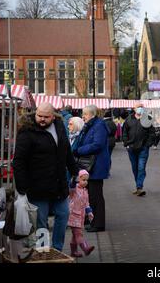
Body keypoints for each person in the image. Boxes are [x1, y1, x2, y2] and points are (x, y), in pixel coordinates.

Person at [13, 102, 79, 251]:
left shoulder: (59, 126)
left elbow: (66, 151)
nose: (42, 119)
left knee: (63, 215)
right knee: (41, 222)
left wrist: (75, 170)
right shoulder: (27, 131)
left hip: (59, 184)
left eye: (46, 117)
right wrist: (22, 188)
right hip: (37, 186)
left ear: (53, 116)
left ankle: (57, 249)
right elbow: (19, 161)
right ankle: (42, 250)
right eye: (39, 116)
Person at [73, 105, 111, 232]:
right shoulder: (90, 125)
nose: (83, 116)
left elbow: (97, 144)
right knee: (91, 195)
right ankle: (93, 221)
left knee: (96, 195)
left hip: (97, 165)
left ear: (92, 114)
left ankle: (99, 224)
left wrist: (79, 151)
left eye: (85, 114)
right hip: (91, 165)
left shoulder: (99, 125)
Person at [122, 103, 156, 196]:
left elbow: (152, 133)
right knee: (135, 168)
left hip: (143, 148)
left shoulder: (147, 119)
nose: (140, 109)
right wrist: (126, 143)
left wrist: (148, 144)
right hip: (131, 148)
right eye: (138, 107)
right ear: (134, 108)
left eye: (141, 107)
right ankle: (138, 185)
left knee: (141, 167)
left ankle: (139, 187)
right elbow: (124, 132)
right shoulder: (129, 119)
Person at [68, 170, 95, 257]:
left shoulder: (85, 191)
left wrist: (89, 212)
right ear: (78, 179)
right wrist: (73, 180)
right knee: (79, 233)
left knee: (75, 235)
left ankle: (74, 252)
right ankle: (85, 248)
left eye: (87, 180)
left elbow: (87, 203)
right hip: (73, 215)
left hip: (81, 216)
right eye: (83, 179)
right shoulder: (74, 189)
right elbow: (71, 186)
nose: (85, 182)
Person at [66, 116, 85, 184]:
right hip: (69, 167)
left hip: (77, 168)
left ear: (77, 125)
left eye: (71, 124)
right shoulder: (69, 136)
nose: (68, 126)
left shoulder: (81, 137)